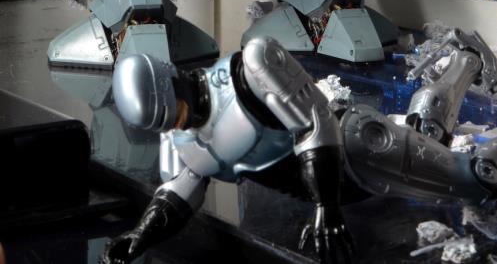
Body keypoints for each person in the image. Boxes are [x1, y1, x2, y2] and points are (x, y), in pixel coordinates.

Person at [103, 33, 497, 264]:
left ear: (172, 82)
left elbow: (315, 122)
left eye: (176, 112)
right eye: (168, 123)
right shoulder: (180, 136)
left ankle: (466, 60)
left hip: (354, 150)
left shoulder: (248, 68)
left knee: (476, 179)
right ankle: (467, 59)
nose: (178, 124)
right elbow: (179, 191)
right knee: (427, 136)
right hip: (328, 194)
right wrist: (140, 235)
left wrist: (326, 205)